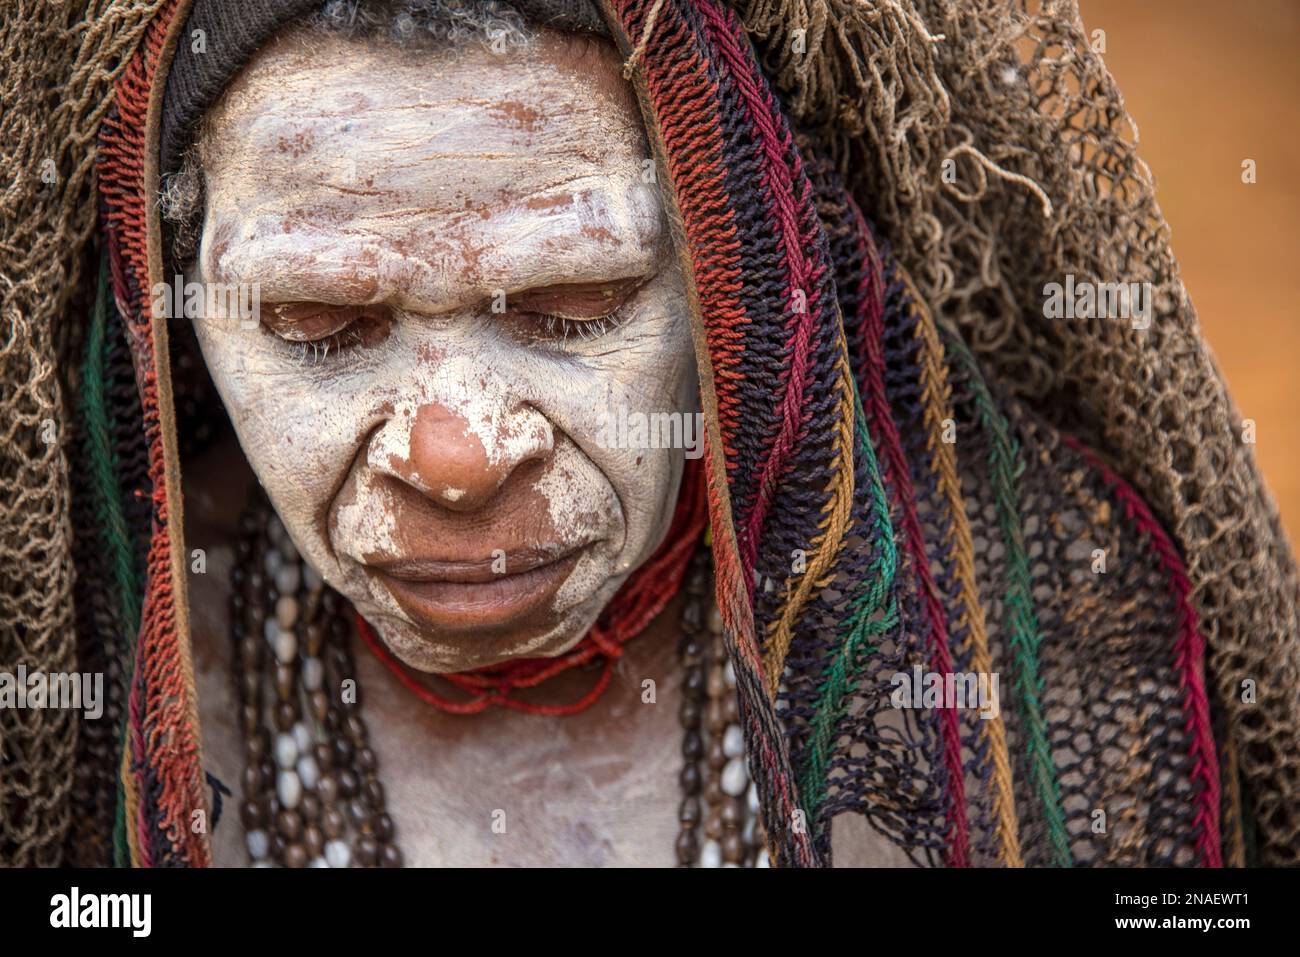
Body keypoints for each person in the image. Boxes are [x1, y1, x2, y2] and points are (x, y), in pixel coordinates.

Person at [3, 0, 1294, 868]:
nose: (456, 453)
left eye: (573, 304)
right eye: (320, 319)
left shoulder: (1047, 665)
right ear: (168, 284)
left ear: (746, 260)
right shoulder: (65, 719)